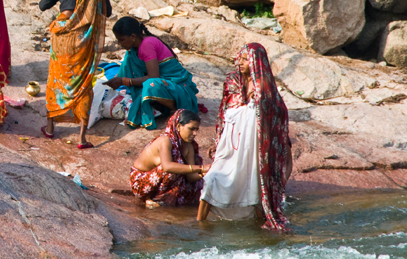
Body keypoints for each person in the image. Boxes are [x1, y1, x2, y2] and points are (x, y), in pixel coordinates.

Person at [198, 43, 292, 230]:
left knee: (255, 191)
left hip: (253, 148)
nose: (239, 63)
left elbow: (276, 117)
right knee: (212, 179)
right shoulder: (235, 81)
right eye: (238, 59)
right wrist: (218, 141)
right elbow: (225, 111)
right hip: (232, 144)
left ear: (255, 63)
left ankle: (259, 231)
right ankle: (198, 226)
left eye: (244, 60)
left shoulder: (265, 87)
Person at [39, 0, 112, 149]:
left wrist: (63, 0)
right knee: (83, 81)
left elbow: (43, 5)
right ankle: (81, 138)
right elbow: (108, 11)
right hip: (84, 38)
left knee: (56, 79)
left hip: (62, 36)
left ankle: (51, 128)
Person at [108, 17, 199, 130]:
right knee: (128, 58)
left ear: (132, 37)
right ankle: (158, 102)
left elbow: (153, 77)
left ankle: (173, 108)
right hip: (162, 80)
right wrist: (117, 79)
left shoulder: (147, 45)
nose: (119, 43)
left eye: (121, 39)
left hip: (175, 83)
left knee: (151, 86)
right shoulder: (134, 48)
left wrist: (124, 81)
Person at [129, 109, 206, 208]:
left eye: (197, 130)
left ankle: (166, 200)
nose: (195, 133)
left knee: (198, 183)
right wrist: (201, 168)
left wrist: (207, 171)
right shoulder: (165, 140)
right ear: (178, 127)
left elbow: (190, 177)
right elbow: (167, 167)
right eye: (191, 129)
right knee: (173, 170)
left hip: (159, 181)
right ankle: (152, 198)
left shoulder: (188, 146)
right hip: (140, 182)